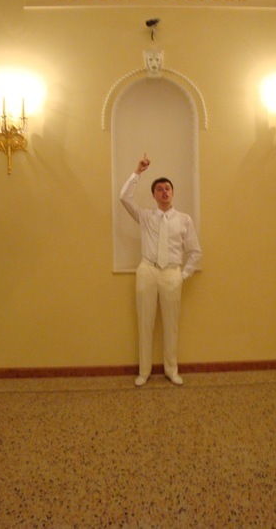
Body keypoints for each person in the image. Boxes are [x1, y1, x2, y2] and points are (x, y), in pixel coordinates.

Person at [120, 154, 202, 387]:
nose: (164, 192)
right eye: (159, 189)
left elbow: (195, 252)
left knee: (171, 324)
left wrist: (182, 275)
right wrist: (138, 172)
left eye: (167, 189)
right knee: (145, 323)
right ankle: (144, 371)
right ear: (154, 195)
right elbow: (124, 197)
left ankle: (171, 369)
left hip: (172, 273)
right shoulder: (145, 216)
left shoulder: (184, 220)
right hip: (147, 271)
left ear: (172, 193)